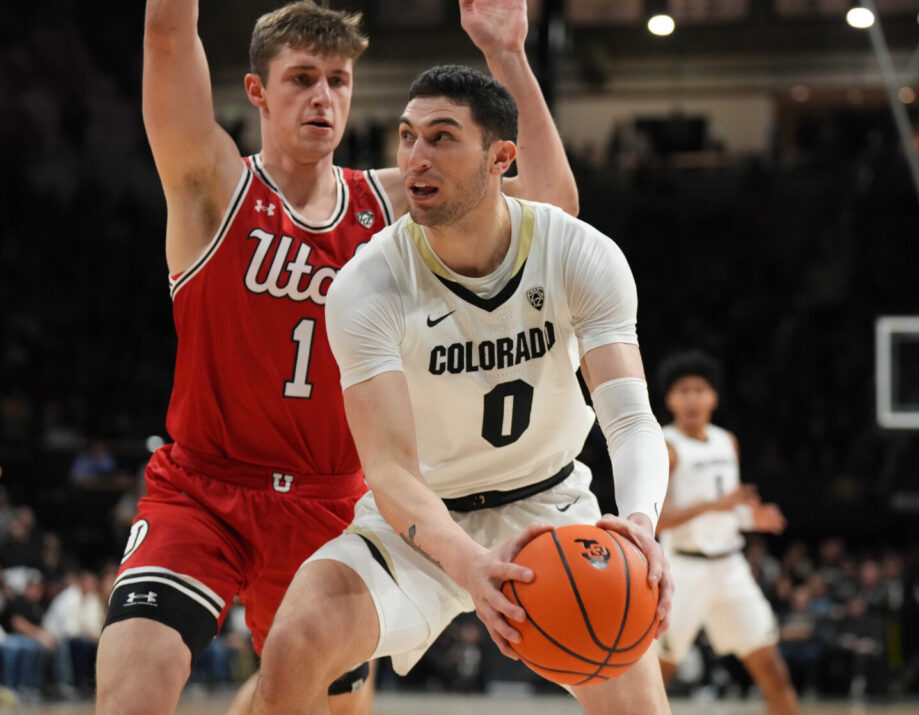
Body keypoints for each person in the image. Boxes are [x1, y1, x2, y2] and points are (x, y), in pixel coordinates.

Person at [95, 0, 579, 712]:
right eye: (301, 79)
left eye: (338, 80)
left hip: (336, 501)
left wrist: (507, 54)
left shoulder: (392, 206)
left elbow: (551, 207)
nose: (323, 97)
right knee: (134, 691)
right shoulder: (212, 186)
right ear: (257, 91)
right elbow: (168, 33)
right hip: (205, 491)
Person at [251, 64, 673, 714]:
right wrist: (469, 561)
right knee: (295, 640)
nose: (416, 158)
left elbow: (631, 419)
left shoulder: (579, 253)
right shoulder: (367, 285)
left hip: (551, 507)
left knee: (637, 704)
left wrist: (640, 522)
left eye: (442, 137)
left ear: (502, 157)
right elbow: (388, 471)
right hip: (421, 520)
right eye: (407, 136)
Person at [653, 350, 801, 714]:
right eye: (683, 390)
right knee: (657, 680)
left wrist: (754, 518)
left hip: (730, 568)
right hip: (683, 571)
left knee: (773, 672)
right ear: (669, 399)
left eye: (699, 390)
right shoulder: (665, 445)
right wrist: (712, 506)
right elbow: (653, 521)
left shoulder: (726, 441)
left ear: (714, 397)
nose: (692, 398)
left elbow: (731, 506)